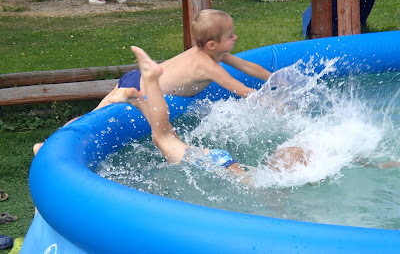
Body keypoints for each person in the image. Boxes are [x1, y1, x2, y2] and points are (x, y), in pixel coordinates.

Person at [33, 9, 272, 154]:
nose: (236, 37)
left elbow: (247, 66)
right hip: (142, 85)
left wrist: (273, 78)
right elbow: (238, 88)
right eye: (230, 36)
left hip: (139, 78)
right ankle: (50, 146)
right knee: (93, 119)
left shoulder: (214, 53)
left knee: (93, 114)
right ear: (212, 44)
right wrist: (267, 102)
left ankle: (50, 143)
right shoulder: (207, 64)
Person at [110, 46, 309, 178]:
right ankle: (141, 94)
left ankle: (146, 86)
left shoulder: (205, 56)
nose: (235, 39)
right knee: (165, 136)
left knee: (164, 136)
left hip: (215, 160)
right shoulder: (269, 182)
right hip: (219, 160)